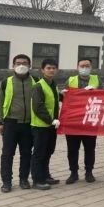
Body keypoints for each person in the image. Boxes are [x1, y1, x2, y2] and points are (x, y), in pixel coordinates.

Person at [0, 54, 37, 193]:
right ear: (13, 65)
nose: (21, 65)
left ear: (30, 66)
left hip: (29, 124)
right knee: (7, 154)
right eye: (18, 63)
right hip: (10, 124)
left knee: (26, 153)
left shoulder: (36, 81)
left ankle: (23, 179)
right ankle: (6, 182)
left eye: (24, 63)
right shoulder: (5, 82)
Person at [64, 58, 101, 184]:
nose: (84, 68)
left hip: (90, 120)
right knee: (72, 149)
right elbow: (64, 99)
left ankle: (89, 172)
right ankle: (73, 173)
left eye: (87, 66)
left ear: (91, 67)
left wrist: (96, 92)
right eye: (82, 66)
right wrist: (62, 95)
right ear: (77, 67)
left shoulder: (97, 80)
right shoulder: (70, 80)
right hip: (73, 121)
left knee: (89, 148)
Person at [31, 58, 62, 190]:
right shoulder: (39, 86)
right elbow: (38, 107)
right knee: (39, 153)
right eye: (48, 68)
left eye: (54, 68)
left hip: (51, 126)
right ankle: (37, 180)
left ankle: (45, 175)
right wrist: (50, 120)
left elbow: (54, 99)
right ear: (42, 70)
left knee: (48, 151)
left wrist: (66, 95)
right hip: (40, 126)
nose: (51, 70)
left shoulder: (53, 84)